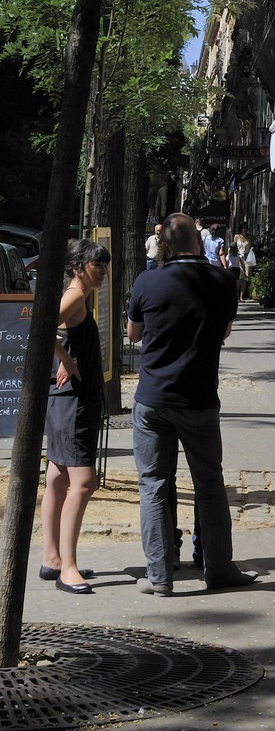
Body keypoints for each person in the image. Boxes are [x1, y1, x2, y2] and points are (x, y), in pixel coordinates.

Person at [126, 211, 257, 596]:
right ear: (198, 243)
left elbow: (133, 334)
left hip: (153, 398)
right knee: (209, 483)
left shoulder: (147, 281)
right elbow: (225, 331)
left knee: (154, 484)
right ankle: (218, 568)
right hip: (199, 398)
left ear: (164, 245)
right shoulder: (223, 281)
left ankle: (159, 575)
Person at [40, 237, 110, 595]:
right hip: (74, 403)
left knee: (57, 478)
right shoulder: (76, 296)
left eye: (105, 266)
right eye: (98, 265)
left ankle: (52, 558)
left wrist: (65, 356)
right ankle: (67, 567)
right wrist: (66, 359)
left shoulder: (79, 296)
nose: (103, 272)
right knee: (83, 483)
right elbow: (42, 327)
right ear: (78, 267)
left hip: (67, 400)